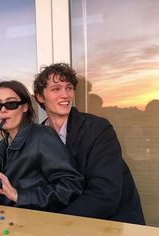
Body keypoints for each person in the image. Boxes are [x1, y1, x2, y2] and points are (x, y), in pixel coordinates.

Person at [33, 63, 146, 224]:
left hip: (111, 224)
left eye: (69, 88)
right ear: (40, 96)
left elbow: (104, 194)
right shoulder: (37, 136)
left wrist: (57, 222)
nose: (65, 95)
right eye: (56, 89)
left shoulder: (98, 129)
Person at [0, 80, 83, 212]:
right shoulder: (2, 146)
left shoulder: (42, 137)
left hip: (35, 225)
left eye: (11, 103)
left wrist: (20, 196)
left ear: (25, 107)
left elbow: (71, 185)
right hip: (8, 223)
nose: (3, 109)